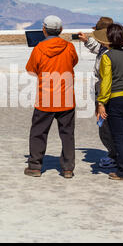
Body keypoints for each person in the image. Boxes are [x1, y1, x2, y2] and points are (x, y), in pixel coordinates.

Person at [24, 15, 79, 179]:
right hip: (66, 97)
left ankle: (35, 166)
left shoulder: (39, 48)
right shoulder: (69, 47)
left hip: (45, 98)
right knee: (67, 134)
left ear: (44, 30)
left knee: (38, 133)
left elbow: (31, 69)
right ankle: (68, 168)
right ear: (61, 30)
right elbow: (73, 62)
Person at [95, 23, 123, 181]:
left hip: (117, 99)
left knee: (118, 137)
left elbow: (105, 82)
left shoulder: (107, 56)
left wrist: (101, 102)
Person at [77, 17, 117, 168]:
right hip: (106, 94)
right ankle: (117, 155)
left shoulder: (110, 52)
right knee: (108, 127)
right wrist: (86, 40)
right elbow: (98, 48)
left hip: (106, 95)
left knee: (106, 128)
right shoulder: (108, 47)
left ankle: (115, 156)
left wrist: (101, 102)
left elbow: (107, 79)